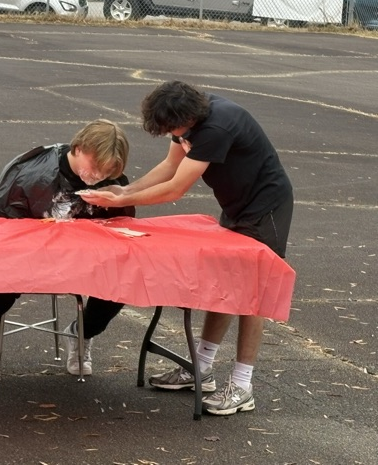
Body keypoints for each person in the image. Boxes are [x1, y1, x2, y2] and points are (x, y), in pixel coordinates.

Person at [81, 80, 293, 416]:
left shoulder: (217, 128)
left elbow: (176, 188)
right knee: (227, 282)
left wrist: (124, 197)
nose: (171, 136)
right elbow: (169, 167)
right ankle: (202, 368)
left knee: (252, 294)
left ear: (189, 120)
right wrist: (123, 193)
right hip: (237, 206)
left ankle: (242, 385)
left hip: (266, 208)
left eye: (173, 130)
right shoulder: (187, 119)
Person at [0, 119, 136, 378]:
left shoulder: (113, 180)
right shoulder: (31, 173)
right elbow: (2, 228)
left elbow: (122, 227)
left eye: (107, 172)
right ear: (78, 148)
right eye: (95, 167)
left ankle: (82, 334)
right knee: (0, 276)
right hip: (27, 254)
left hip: (85, 258)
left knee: (122, 277)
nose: (98, 176)